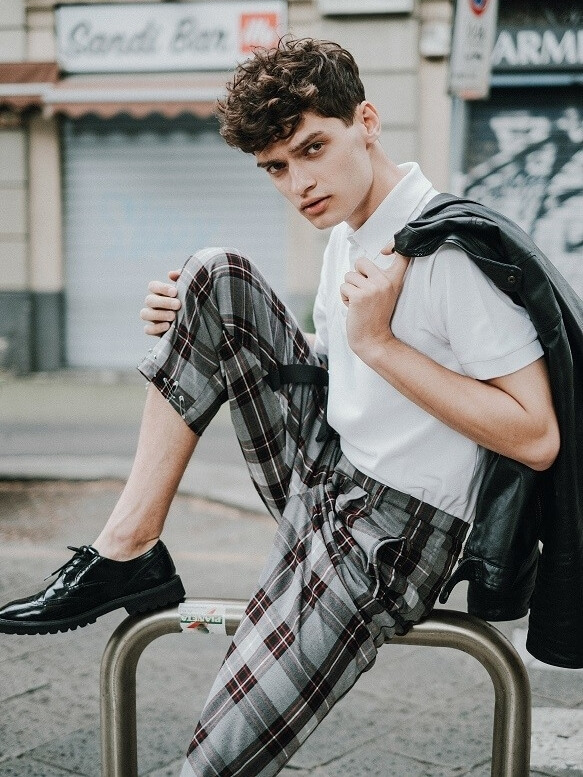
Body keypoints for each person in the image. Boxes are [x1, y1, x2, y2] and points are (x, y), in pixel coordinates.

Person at [0, 38, 559, 776]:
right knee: (214, 276)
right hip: (327, 475)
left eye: (312, 149)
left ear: (366, 122)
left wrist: (380, 343)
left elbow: (536, 434)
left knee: (213, 766)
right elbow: (337, 364)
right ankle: (129, 549)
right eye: (276, 167)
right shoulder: (349, 233)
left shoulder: (445, 252)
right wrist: (200, 325)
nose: (299, 184)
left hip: (390, 539)